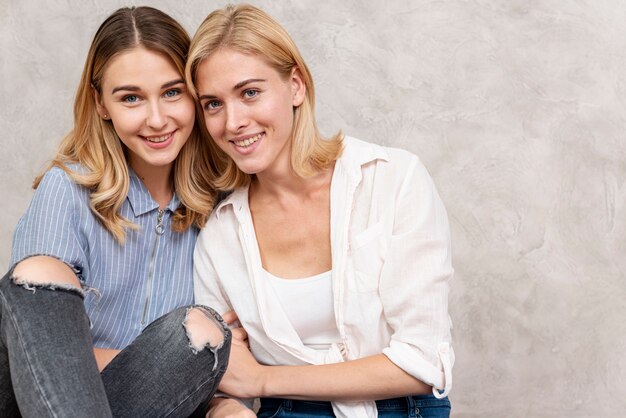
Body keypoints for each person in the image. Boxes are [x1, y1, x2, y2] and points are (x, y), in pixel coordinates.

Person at [187, 4, 454, 418]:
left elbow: (422, 361)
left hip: (403, 409)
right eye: (213, 104)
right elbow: (226, 379)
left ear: (295, 86)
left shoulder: (392, 179)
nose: (233, 121)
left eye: (250, 93)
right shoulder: (219, 239)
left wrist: (262, 379)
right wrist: (228, 407)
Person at [0, 6, 231, 417]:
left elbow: (219, 360)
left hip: (152, 404)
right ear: (101, 103)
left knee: (199, 333)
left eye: (173, 92)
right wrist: (144, 359)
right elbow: (39, 349)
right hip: (37, 403)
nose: (157, 119)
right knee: (40, 272)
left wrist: (226, 404)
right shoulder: (67, 190)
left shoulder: (223, 207)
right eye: (131, 98)